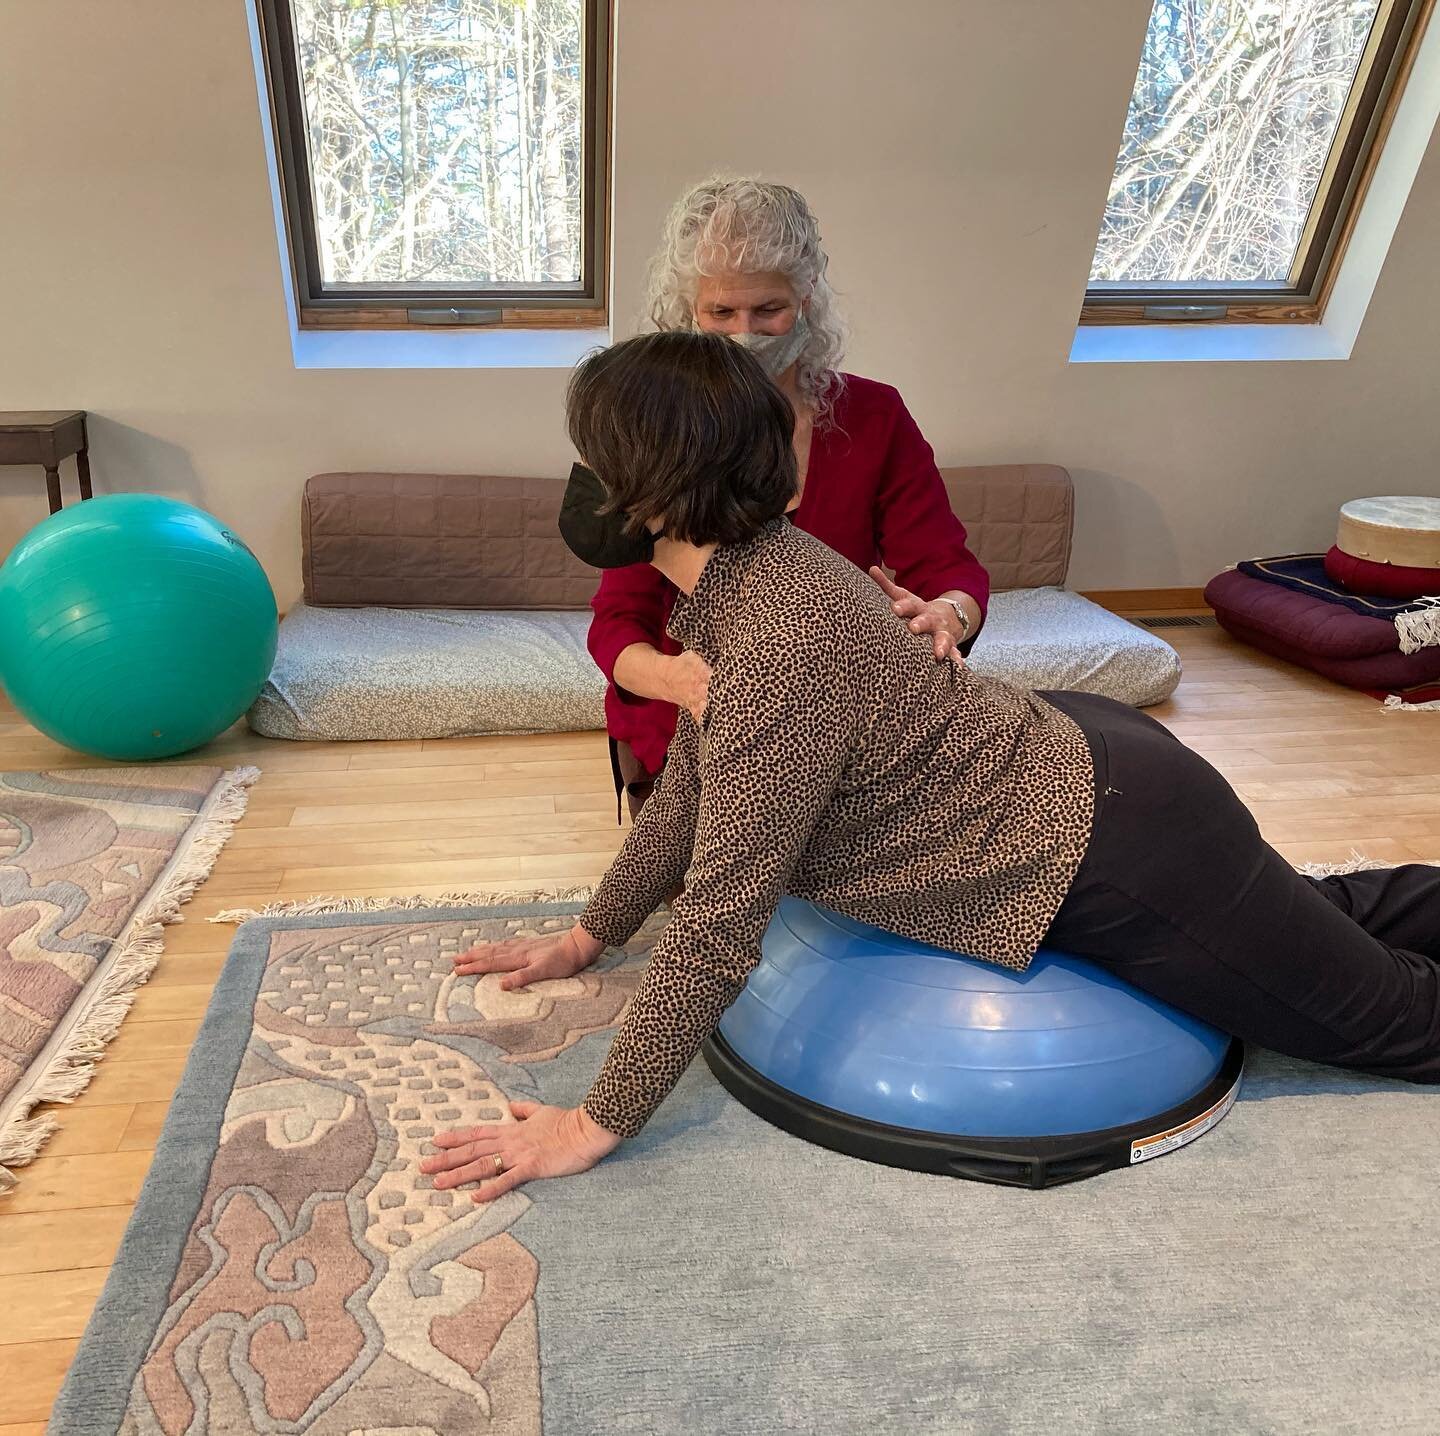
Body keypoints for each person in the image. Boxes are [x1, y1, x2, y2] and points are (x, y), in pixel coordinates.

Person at [421, 332, 1440, 1202]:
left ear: (650, 491)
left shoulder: (776, 646)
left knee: (1395, 1022)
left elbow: (720, 927)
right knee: (1326, 921)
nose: (581, 483)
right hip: (1096, 773)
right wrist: (586, 935)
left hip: (1116, 847)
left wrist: (591, 1124)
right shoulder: (762, 568)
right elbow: (691, 783)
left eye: (594, 461)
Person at [588, 177, 989, 817]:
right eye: (721, 313)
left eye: (768, 309)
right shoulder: (656, 431)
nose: (745, 334)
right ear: (686, 311)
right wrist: (683, 682)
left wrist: (948, 615)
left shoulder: (875, 417)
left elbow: (948, 567)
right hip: (689, 724)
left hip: (842, 719)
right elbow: (617, 622)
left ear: (806, 299)